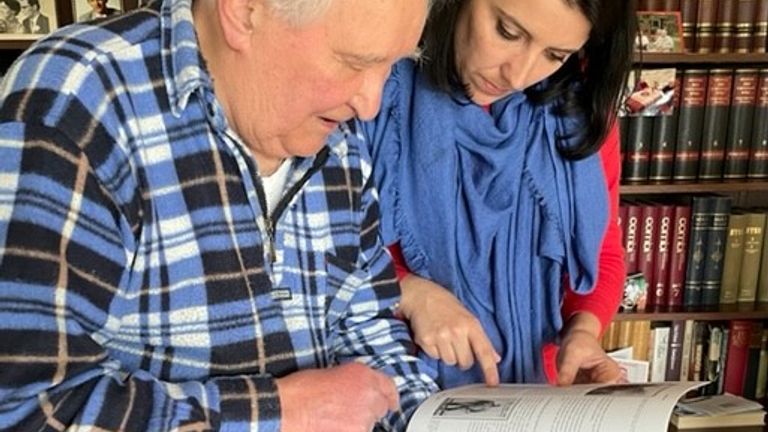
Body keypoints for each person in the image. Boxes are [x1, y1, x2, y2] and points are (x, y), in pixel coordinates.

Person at [0, 0, 438, 430]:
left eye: (391, 66)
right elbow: (24, 409)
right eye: (354, 62)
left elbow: (368, 327)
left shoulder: (335, 135)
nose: (370, 105)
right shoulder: (80, 102)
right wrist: (280, 413)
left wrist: (427, 420)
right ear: (243, 11)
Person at [360, 0, 636, 389]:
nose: (518, 74)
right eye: (508, 32)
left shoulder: (579, 114)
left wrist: (584, 332)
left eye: (555, 55)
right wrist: (410, 292)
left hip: (531, 391)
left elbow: (601, 253)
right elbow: (326, 251)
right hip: (392, 385)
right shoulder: (370, 87)